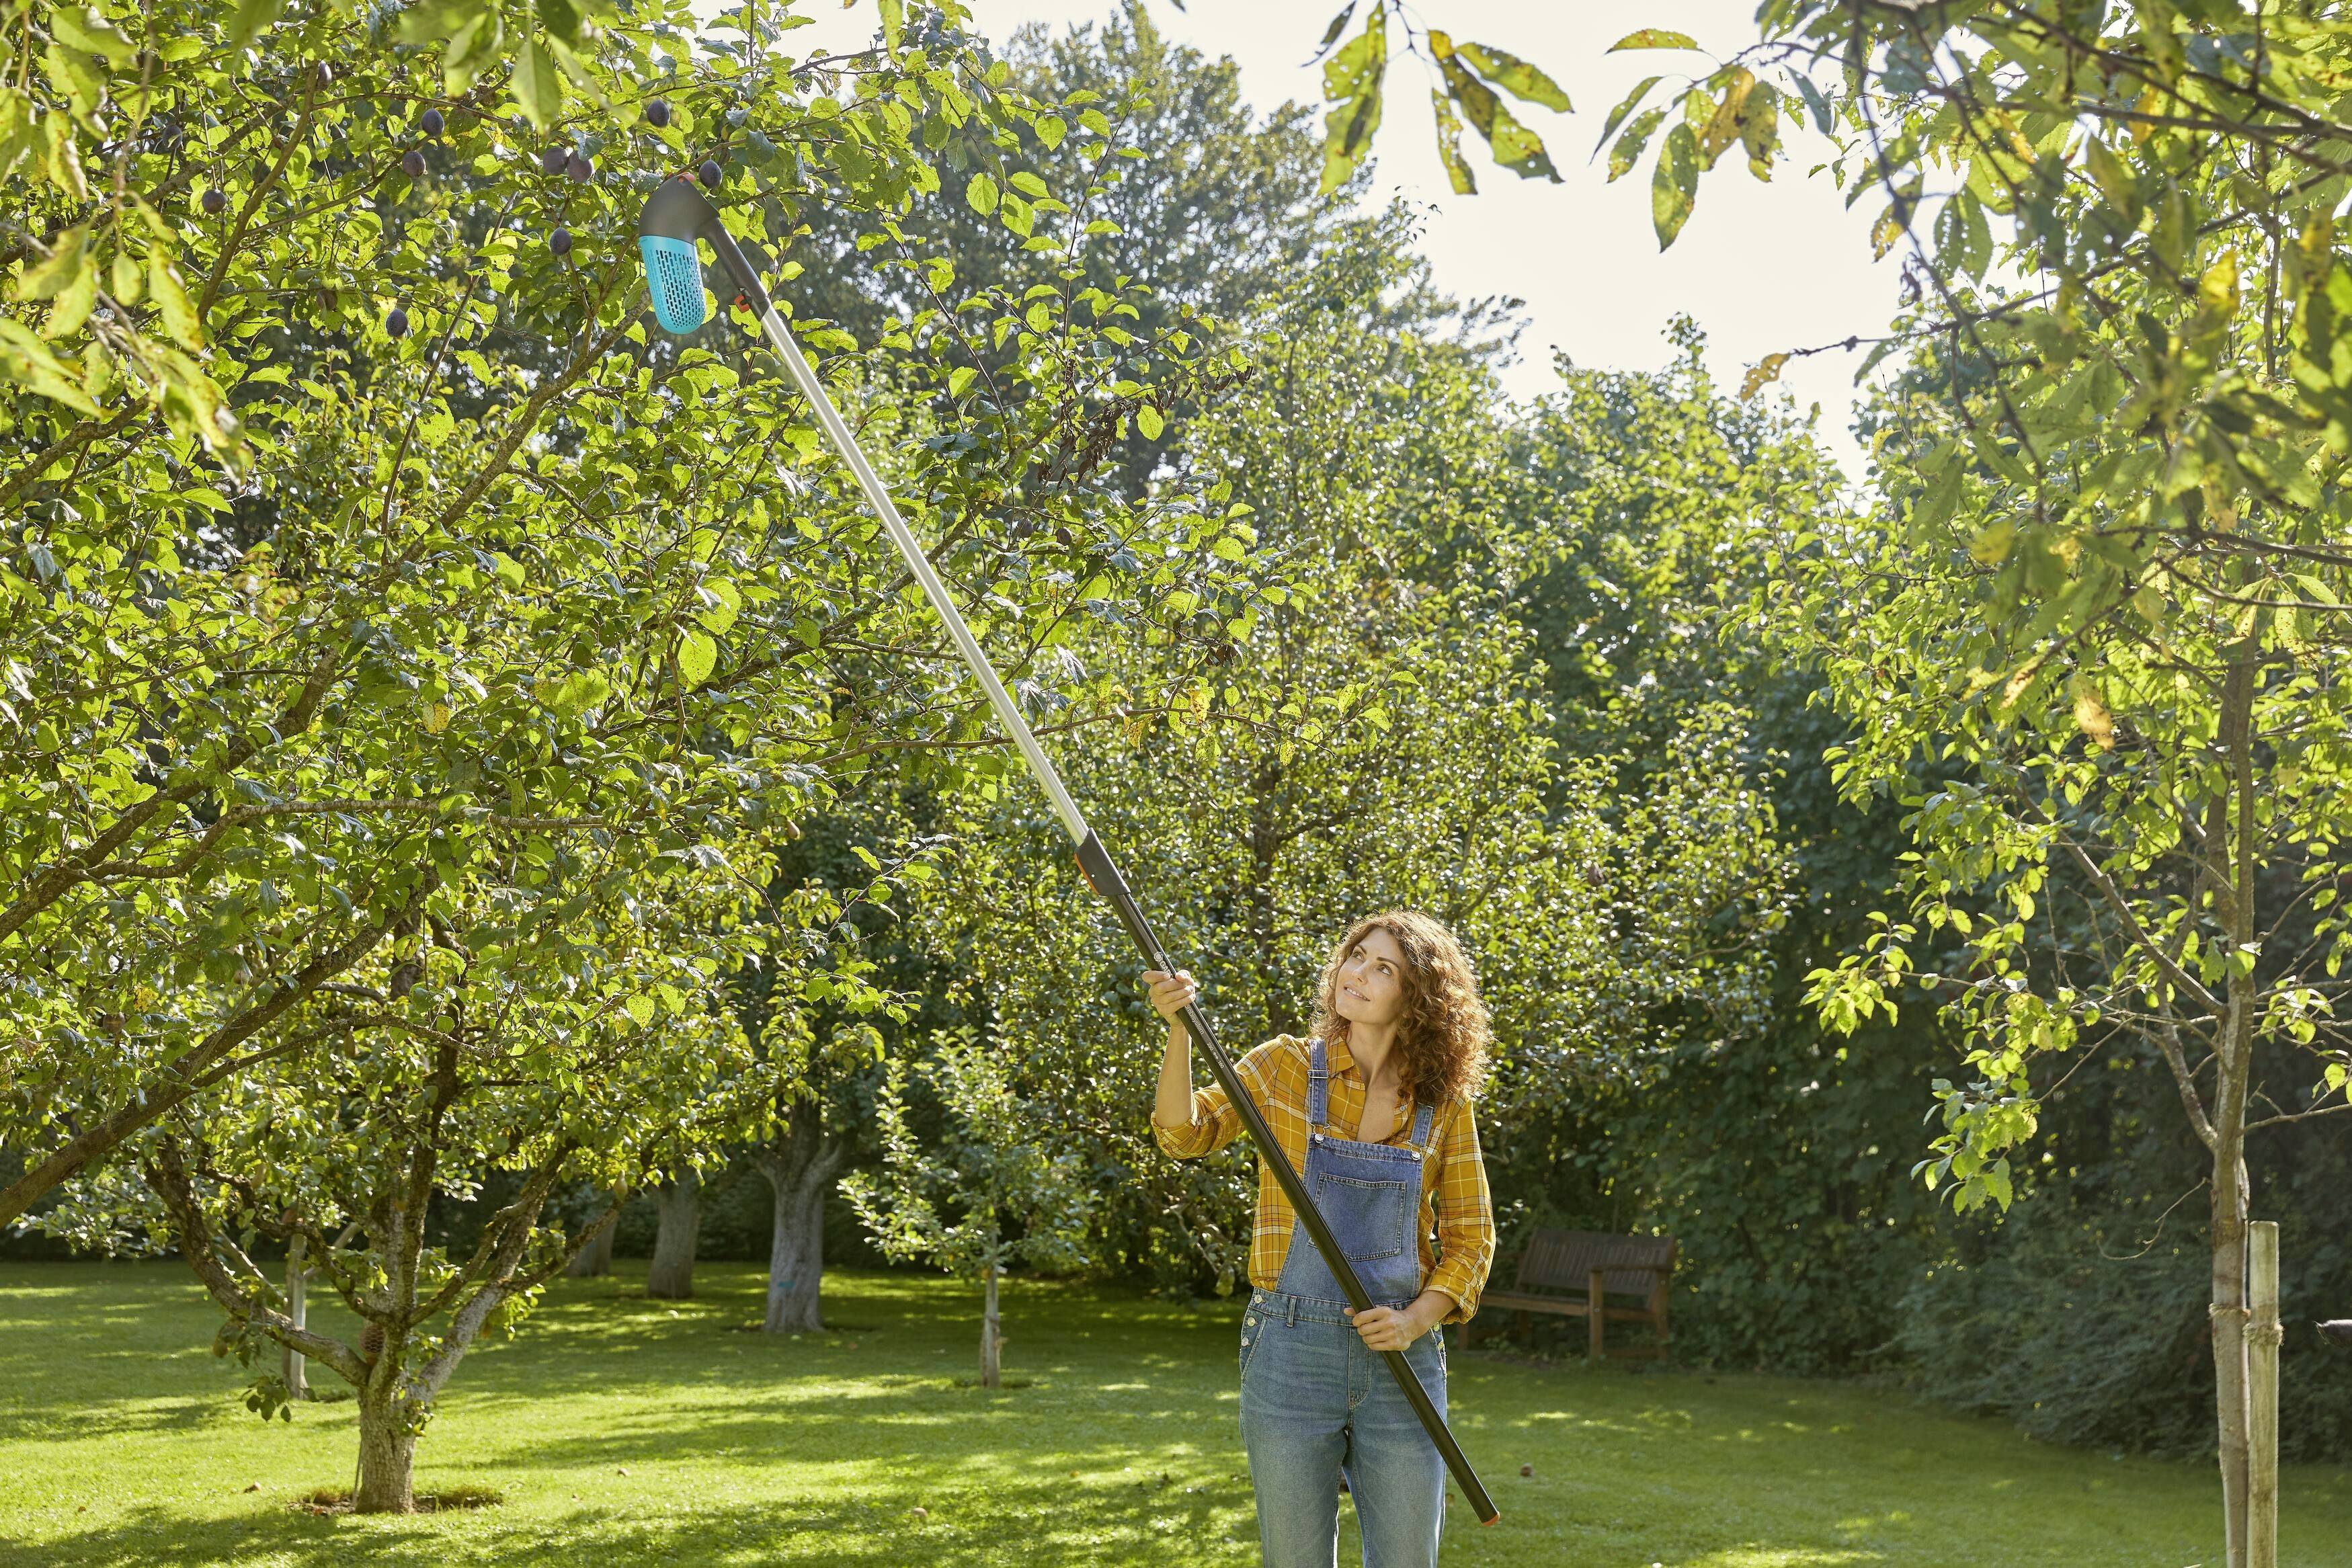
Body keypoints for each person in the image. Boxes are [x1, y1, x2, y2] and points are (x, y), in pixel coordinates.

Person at [1146, 911, 1496, 1568]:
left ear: (1417, 996)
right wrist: (1179, 1032)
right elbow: (1183, 1133)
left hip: (1400, 1358)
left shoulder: (1442, 1103)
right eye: (1355, 955)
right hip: (1289, 1347)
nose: (1355, 972)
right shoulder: (1283, 1066)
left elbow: (1472, 1238)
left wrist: (1416, 1318)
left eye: (1382, 966)